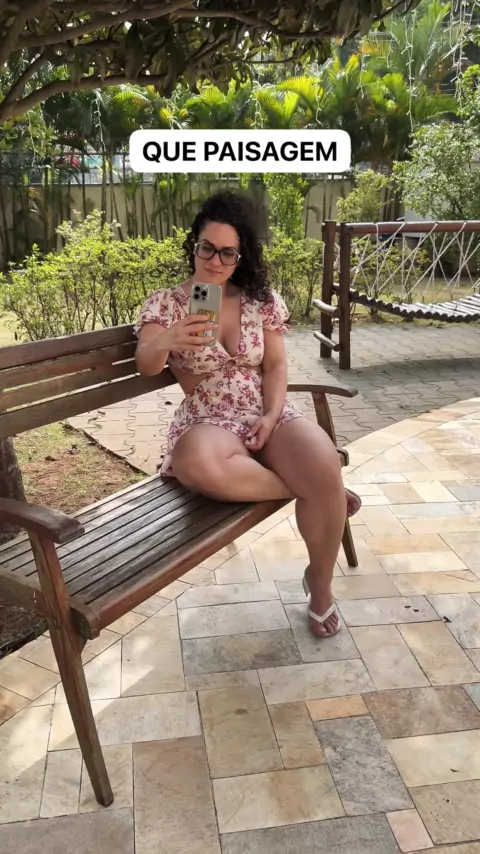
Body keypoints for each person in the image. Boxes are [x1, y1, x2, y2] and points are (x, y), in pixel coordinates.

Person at [134, 191, 361, 638]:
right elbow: (146, 364)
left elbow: (274, 366)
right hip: (208, 417)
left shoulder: (260, 301)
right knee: (198, 462)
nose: (214, 261)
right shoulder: (166, 304)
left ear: (240, 257)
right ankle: (323, 489)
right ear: (194, 245)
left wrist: (272, 414)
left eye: (227, 253)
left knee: (319, 454)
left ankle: (320, 586)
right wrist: (167, 339)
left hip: (263, 410)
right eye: (207, 248)